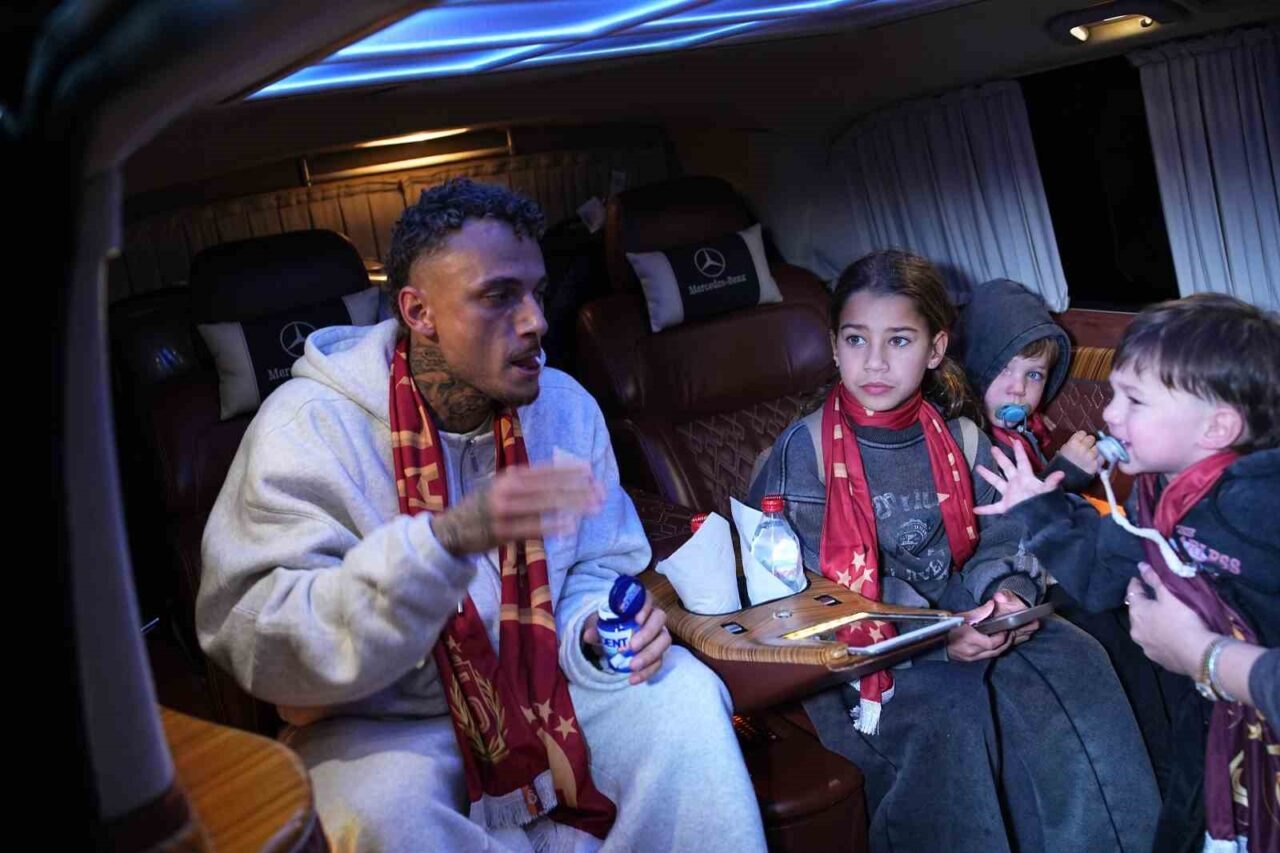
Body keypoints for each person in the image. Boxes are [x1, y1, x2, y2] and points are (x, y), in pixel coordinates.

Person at [196, 178, 766, 852]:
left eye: (537, 293)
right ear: (419, 311)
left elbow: (594, 566)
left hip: (546, 681)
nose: (536, 321)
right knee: (380, 811)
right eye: (499, 296)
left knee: (684, 697)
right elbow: (265, 644)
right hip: (386, 721)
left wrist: (592, 629)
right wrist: (443, 543)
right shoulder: (307, 428)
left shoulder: (565, 406)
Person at [748, 249, 1158, 853]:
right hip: (865, 654)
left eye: (899, 340)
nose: (875, 362)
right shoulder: (801, 454)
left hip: (964, 612)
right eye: (857, 340)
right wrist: (939, 639)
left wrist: (1006, 596)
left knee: (1078, 656)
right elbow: (803, 596)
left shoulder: (961, 437)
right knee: (955, 710)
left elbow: (1003, 531)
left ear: (936, 349)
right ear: (834, 347)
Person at [976, 293, 1280, 852]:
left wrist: (1203, 654)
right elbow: (1100, 578)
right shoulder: (1157, 493)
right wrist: (1039, 510)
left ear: (1217, 427)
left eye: (1134, 400)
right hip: (1212, 726)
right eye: (1115, 393)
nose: (1110, 415)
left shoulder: (1265, 503)